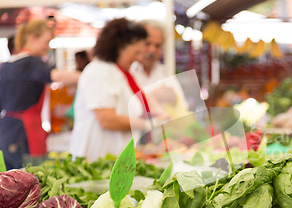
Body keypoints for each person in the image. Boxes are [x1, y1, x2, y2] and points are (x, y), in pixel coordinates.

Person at [70, 18, 158, 161]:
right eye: (135, 52)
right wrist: (147, 124)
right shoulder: (100, 71)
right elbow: (106, 119)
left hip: (114, 160)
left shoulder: (120, 73)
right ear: (119, 47)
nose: (137, 58)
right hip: (95, 162)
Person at [0, 19, 80, 169]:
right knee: (29, 183)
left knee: (8, 184)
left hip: (5, 133)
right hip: (23, 135)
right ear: (32, 38)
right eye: (47, 41)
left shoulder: (5, 66)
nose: (48, 47)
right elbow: (57, 76)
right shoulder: (33, 62)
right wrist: (87, 76)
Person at [130, 20, 188, 117]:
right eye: (147, 44)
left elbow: (182, 106)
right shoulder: (127, 72)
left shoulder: (166, 73)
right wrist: (154, 95)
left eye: (157, 46)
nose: (152, 50)